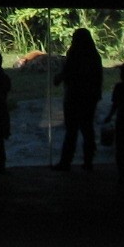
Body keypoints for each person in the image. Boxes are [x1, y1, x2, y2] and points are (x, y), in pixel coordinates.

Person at [53, 28, 103, 170]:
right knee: (87, 129)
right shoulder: (94, 55)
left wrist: (59, 78)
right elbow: (97, 78)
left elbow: (69, 72)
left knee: (72, 130)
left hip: (74, 96)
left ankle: (66, 161)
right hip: (88, 97)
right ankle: (88, 161)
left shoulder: (74, 54)